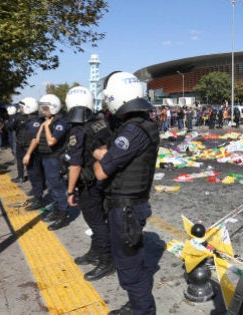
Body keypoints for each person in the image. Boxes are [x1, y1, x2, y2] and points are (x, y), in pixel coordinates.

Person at [92, 71, 159, 315]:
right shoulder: (143, 125)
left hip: (126, 207)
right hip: (130, 205)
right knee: (134, 261)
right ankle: (137, 304)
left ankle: (142, 310)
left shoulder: (132, 131)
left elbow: (101, 172)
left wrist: (100, 156)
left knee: (129, 266)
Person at [63, 86, 115, 281]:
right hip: (104, 178)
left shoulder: (78, 129)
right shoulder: (100, 123)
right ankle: (95, 251)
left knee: (96, 221)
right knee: (101, 218)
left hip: (89, 182)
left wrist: (69, 192)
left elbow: (75, 165)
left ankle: (106, 259)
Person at [23, 94, 70, 230]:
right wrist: (44, 125)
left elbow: (51, 141)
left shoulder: (61, 122)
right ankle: (56, 209)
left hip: (55, 159)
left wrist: (47, 127)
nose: (43, 112)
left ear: (53, 107)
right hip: (46, 158)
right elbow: (37, 138)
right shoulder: (48, 121)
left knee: (57, 186)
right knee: (51, 185)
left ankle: (63, 213)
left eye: (45, 109)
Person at [17, 98, 46, 197]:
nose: (21, 109)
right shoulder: (31, 120)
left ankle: (38, 197)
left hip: (34, 152)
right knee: (33, 174)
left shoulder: (34, 122)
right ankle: (36, 191)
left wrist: (28, 154)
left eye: (22, 107)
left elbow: (35, 139)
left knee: (35, 174)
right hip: (30, 151)